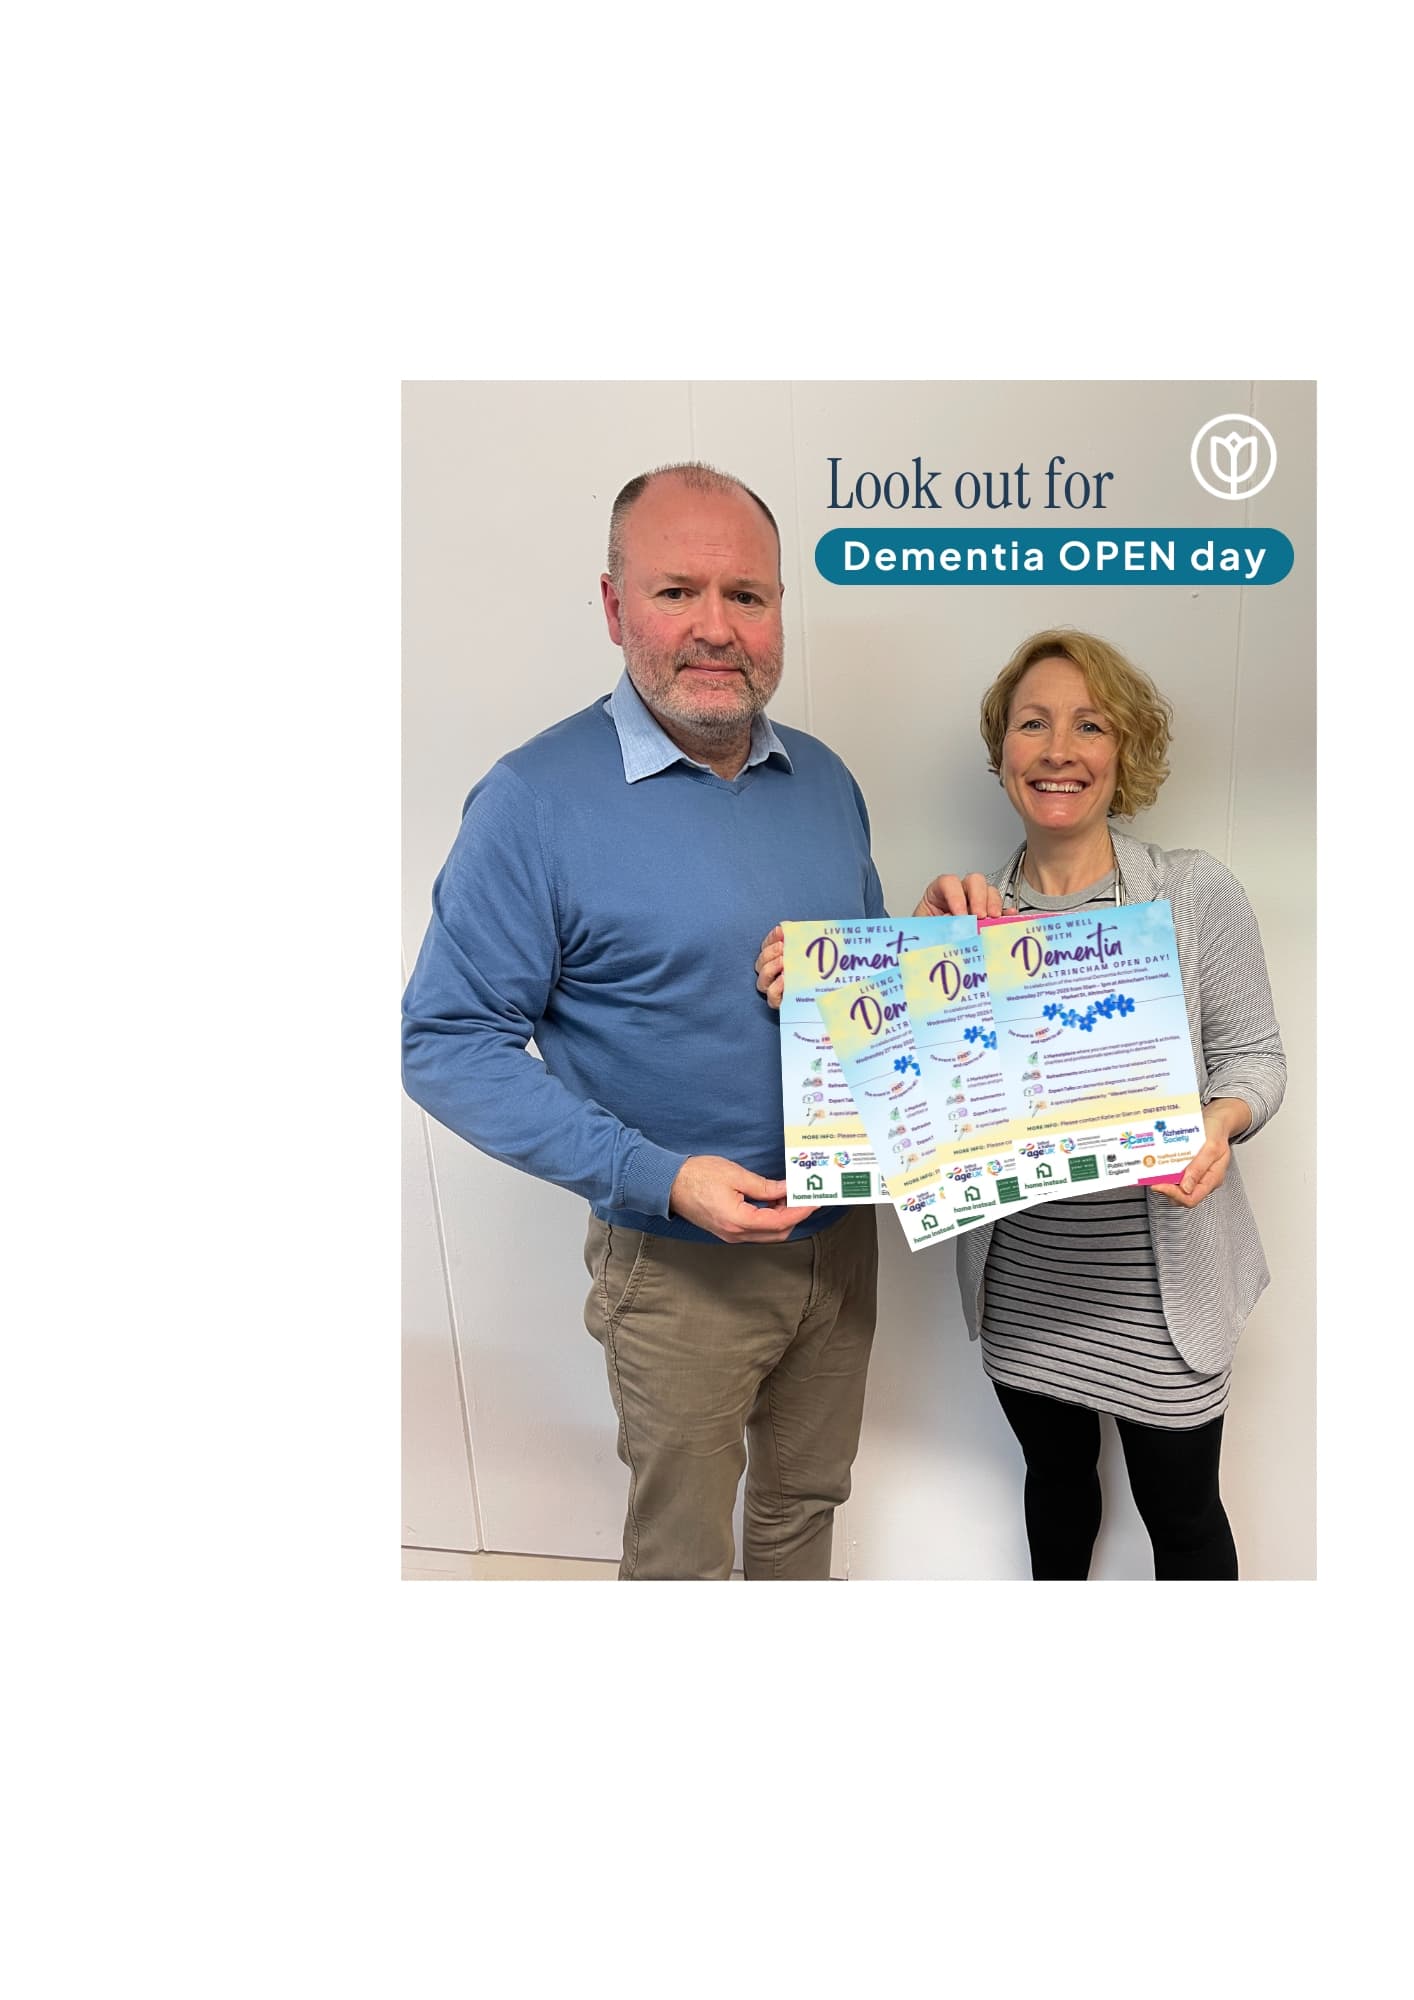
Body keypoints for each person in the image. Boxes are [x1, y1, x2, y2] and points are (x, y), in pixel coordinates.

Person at [402, 463, 885, 1581]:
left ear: (777, 612)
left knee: (804, 1507)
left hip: (843, 1244)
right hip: (678, 1268)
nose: (716, 628)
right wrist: (660, 1176)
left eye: (747, 595)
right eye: (677, 592)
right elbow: (444, 1040)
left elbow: (865, 1005)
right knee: (681, 1555)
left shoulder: (824, 780)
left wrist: (949, 951)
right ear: (616, 606)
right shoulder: (533, 801)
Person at [756, 628, 1286, 1581]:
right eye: (1033, 723)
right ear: (1002, 752)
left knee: (1184, 1514)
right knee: (1055, 1480)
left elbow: (1255, 1058)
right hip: (1026, 1290)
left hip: (1160, 1301)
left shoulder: (1196, 892)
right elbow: (888, 1098)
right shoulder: (960, 921)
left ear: (1124, 752)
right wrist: (819, 978)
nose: (1058, 749)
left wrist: (1222, 1120)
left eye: (1090, 725)